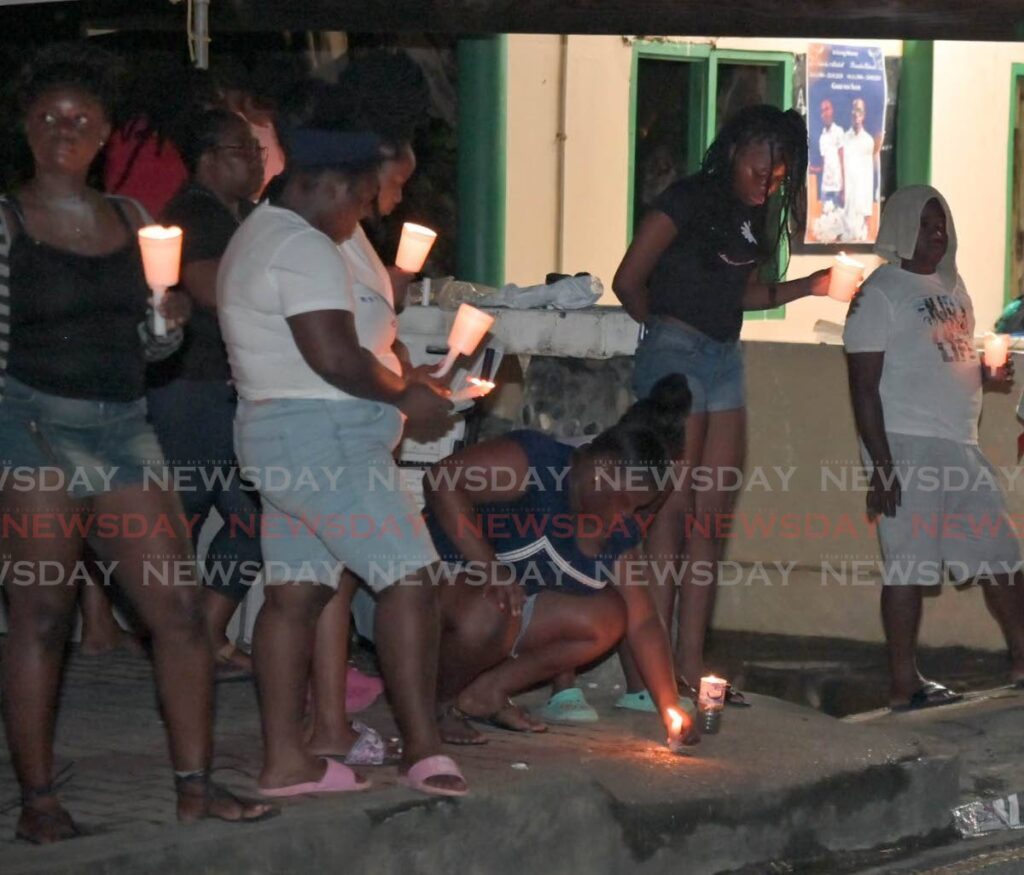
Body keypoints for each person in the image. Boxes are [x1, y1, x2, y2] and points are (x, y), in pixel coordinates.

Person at [0, 42, 272, 845]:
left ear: (105, 134)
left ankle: (194, 786)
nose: (62, 130)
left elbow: (151, 343)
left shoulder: (133, 220)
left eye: (79, 119)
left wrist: (168, 327)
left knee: (181, 611)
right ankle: (39, 799)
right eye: (47, 117)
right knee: (41, 615)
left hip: (123, 428)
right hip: (32, 424)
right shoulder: (8, 220)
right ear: (25, 127)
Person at [218, 126, 468, 797]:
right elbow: (332, 355)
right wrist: (408, 396)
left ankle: (286, 761)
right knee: (411, 578)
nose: (363, 215)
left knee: (295, 594)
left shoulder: (256, 232)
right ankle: (424, 749)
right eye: (362, 200)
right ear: (333, 183)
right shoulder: (303, 245)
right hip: (320, 434)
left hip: (273, 431)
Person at [612, 104, 830, 709]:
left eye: (780, 164)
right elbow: (628, 278)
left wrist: (810, 287)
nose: (771, 173)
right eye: (762, 157)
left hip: (724, 357)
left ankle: (688, 667)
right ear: (734, 149)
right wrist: (664, 331)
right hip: (676, 351)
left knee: (711, 518)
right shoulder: (688, 199)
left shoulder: (754, 221)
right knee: (672, 511)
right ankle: (653, 676)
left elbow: (745, 294)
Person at [424, 375, 699, 747]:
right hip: (428, 587)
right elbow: (443, 479)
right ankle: (432, 707)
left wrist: (668, 705)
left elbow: (644, 620)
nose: (628, 517)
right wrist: (491, 567)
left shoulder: (613, 532)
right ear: (601, 476)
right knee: (495, 607)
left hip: (500, 610)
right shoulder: (537, 463)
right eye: (627, 503)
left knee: (607, 616)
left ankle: (483, 694)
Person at [843, 185, 1024, 710]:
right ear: (900, 227)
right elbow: (862, 384)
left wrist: (988, 375)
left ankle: (1021, 661)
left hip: (959, 444)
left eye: (941, 222)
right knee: (910, 566)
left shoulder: (953, 286)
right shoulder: (880, 292)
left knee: (1003, 557)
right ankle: (904, 683)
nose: (937, 233)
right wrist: (882, 465)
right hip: (906, 444)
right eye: (925, 224)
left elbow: (946, 361)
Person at [303, 53, 432, 757]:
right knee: (343, 577)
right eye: (395, 184)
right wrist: (403, 388)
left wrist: (411, 368)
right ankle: (330, 724)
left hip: (360, 425)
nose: (396, 202)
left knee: (328, 577)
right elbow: (335, 341)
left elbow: (372, 330)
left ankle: (329, 720)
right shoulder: (325, 231)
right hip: (332, 427)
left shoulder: (353, 235)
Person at [146, 108, 266, 679]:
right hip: (193, 389)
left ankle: (205, 638)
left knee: (252, 522)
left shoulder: (234, 215)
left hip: (221, 390)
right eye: (245, 149)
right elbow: (204, 286)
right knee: (181, 523)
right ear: (210, 158)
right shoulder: (195, 212)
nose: (258, 160)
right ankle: (184, 643)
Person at [841, 98, 877, 242]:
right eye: (854, 110)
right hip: (845, 199)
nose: (857, 114)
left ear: (864, 115)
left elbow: (868, 177)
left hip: (861, 201)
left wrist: (867, 211)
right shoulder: (843, 138)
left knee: (860, 238)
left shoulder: (868, 141)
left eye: (860, 111)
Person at [815, 99, 844, 208]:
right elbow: (824, 164)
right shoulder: (822, 137)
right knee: (826, 221)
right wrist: (812, 169)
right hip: (825, 189)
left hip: (837, 188)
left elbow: (842, 160)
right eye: (822, 111)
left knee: (838, 221)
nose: (825, 113)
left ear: (832, 111)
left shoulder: (839, 132)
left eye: (827, 109)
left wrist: (844, 188)